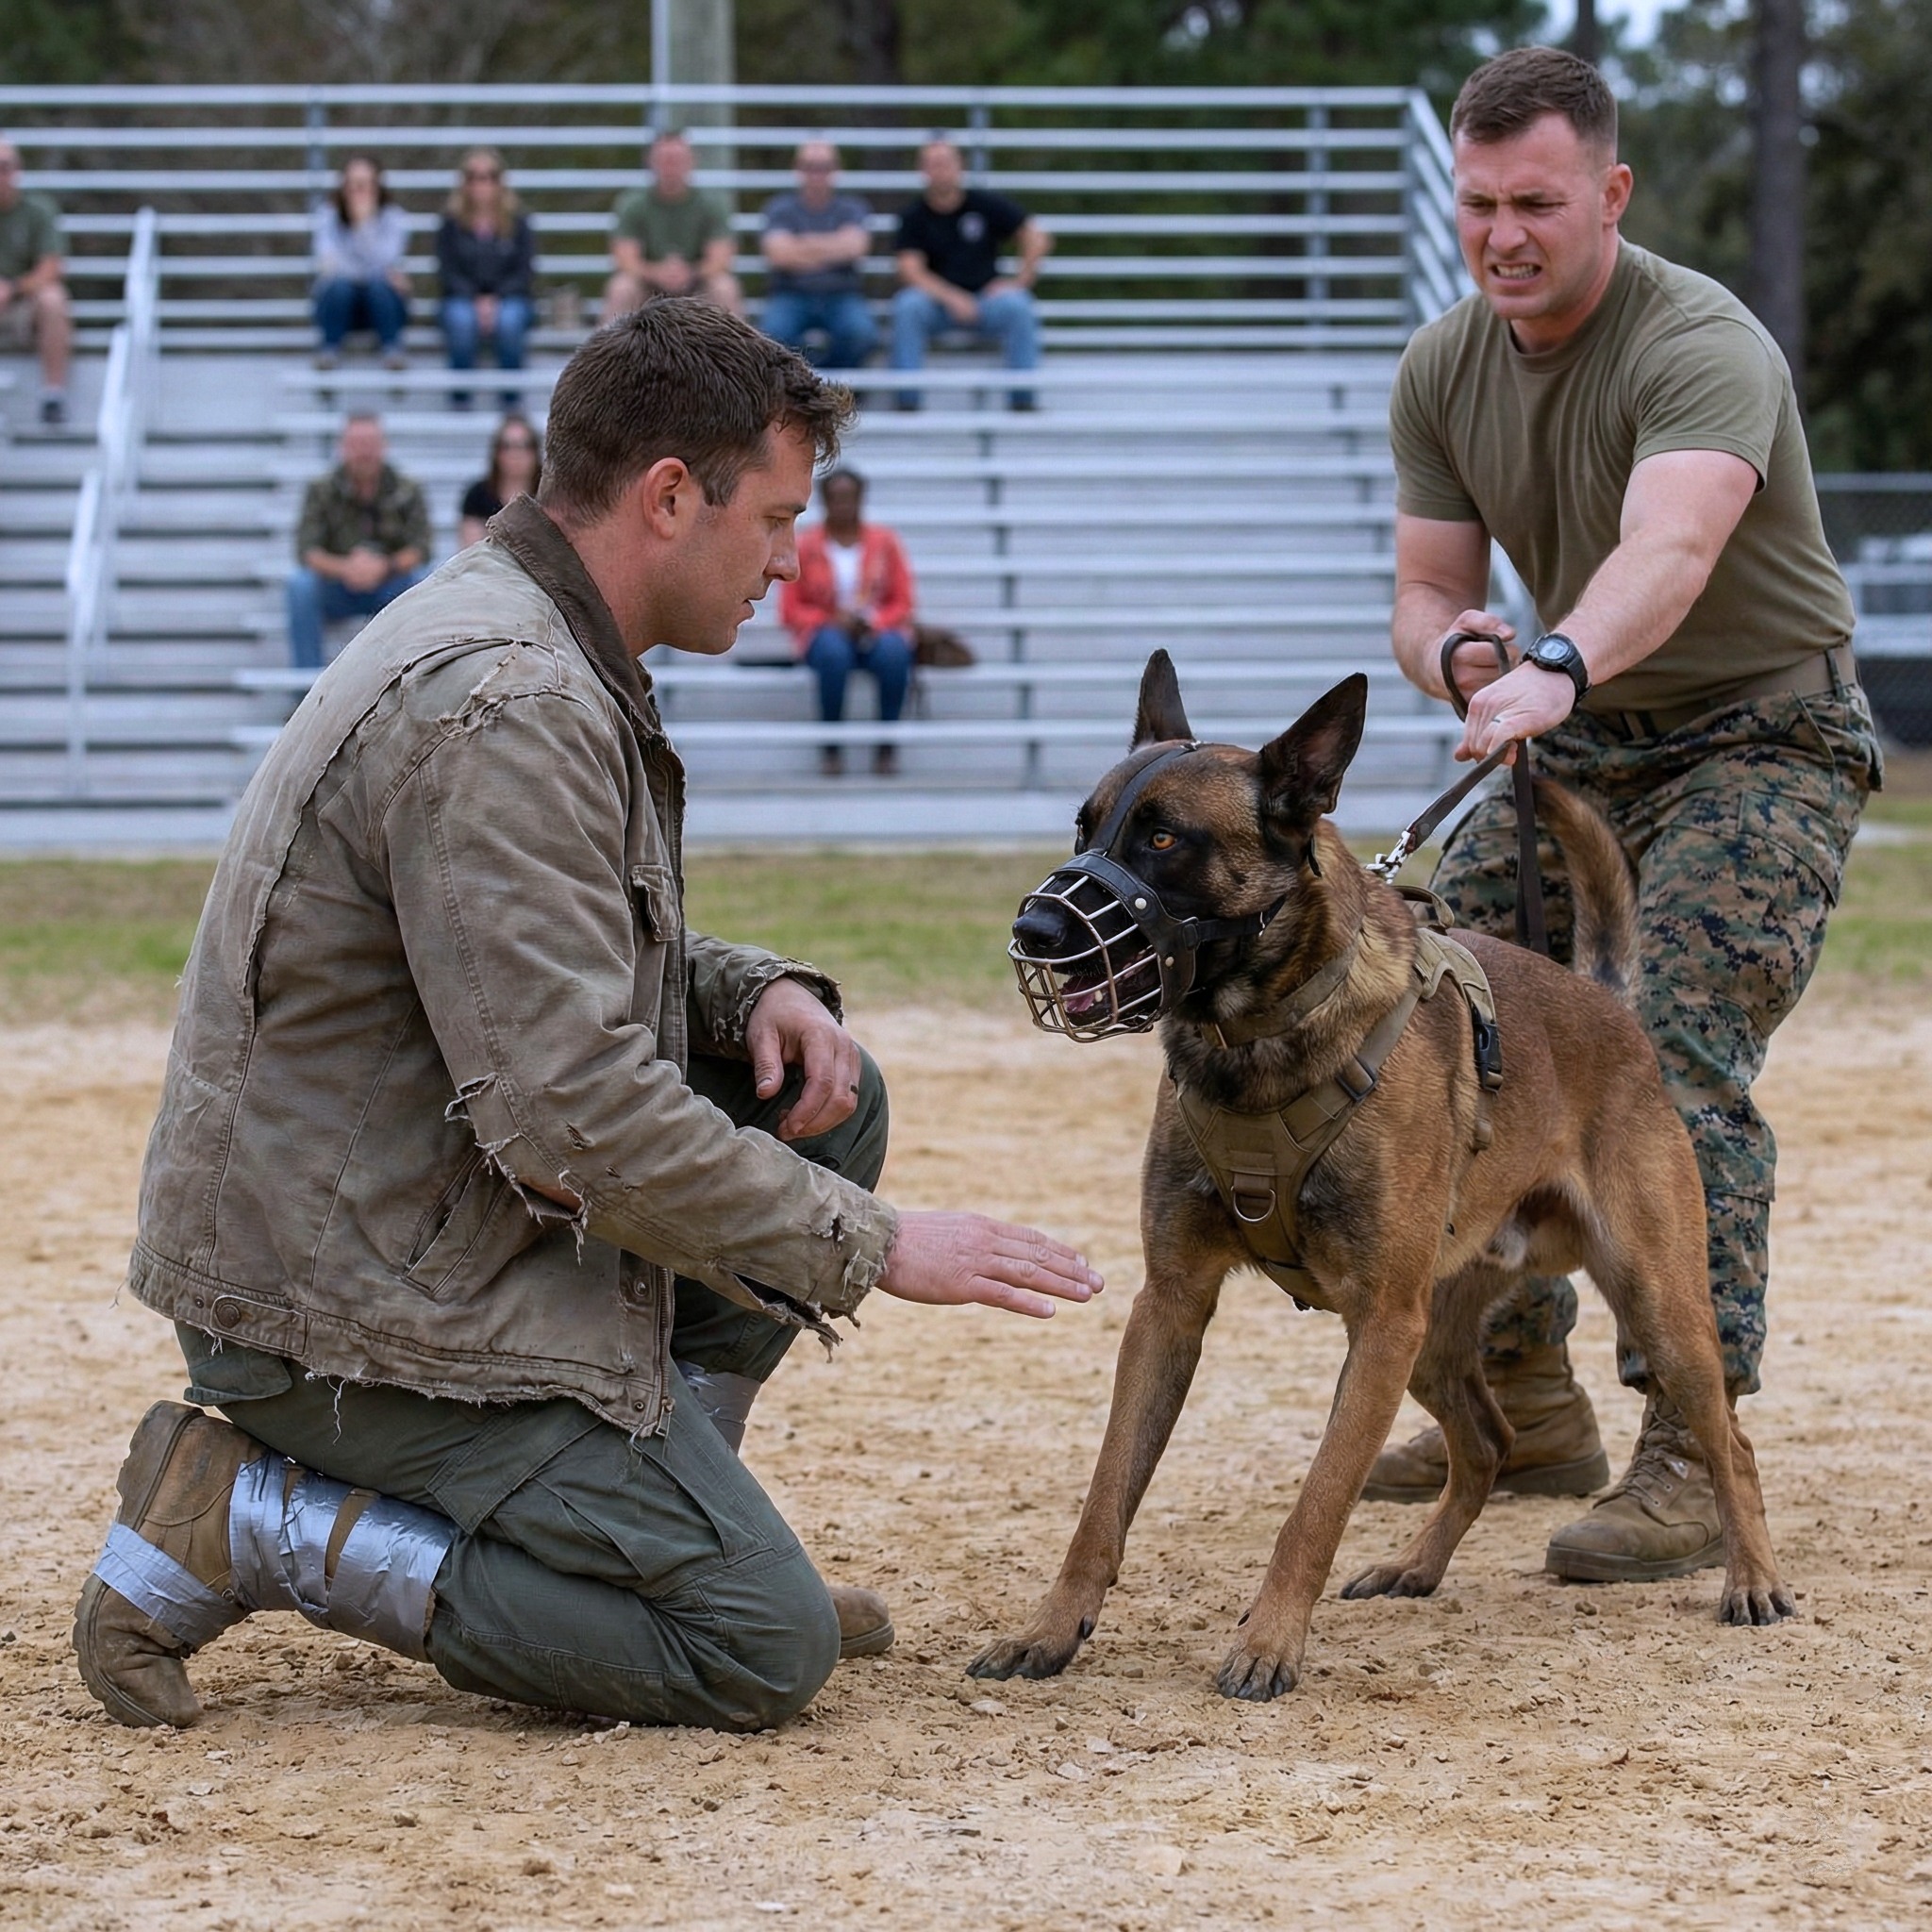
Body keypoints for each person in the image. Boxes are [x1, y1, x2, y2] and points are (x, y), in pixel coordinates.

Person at [74, 299, 1102, 1737]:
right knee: (754, 1645)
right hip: (333, 1316)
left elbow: (520, 957)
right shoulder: (508, 697)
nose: (790, 562)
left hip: (395, 1221)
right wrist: (880, 1248)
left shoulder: (523, 629)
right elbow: (574, 1117)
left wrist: (758, 991)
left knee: (825, 1094)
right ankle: (250, 1520)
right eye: (777, 519)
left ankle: (662, 1511)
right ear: (671, 498)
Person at [1374, 46, 1881, 1585]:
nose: (1502, 234)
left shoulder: (1698, 342)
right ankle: (1511, 1399)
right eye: (1476, 204)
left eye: (1535, 201)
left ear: (1609, 192)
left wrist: (1552, 660)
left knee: (1668, 1041)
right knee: (1434, 1002)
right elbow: (1423, 590)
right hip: (1572, 729)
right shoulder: (1443, 365)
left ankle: (1684, 1441)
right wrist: (1459, 652)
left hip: (1759, 735)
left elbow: (1665, 547)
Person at [891, 138, 1049, 410]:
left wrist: (1019, 281)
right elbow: (909, 270)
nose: (939, 170)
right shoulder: (914, 216)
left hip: (986, 301)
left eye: (945, 162)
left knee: (1019, 306)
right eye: (932, 164)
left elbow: (1037, 237)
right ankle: (908, 401)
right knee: (907, 306)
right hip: (937, 305)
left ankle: (1022, 399)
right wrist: (952, 298)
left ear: (959, 165)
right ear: (922, 170)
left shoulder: (984, 204)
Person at [782, 468, 916, 777]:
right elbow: (791, 609)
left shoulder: (884, 542)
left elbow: (903, 601)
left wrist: (875, 621)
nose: (843, 505)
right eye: (836, 499)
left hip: (874, 630)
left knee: (895, 653)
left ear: (861, 499)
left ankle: (887, 747)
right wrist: (829, 620)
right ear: (825, 501)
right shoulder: (806, 545)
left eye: (849, 498)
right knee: (833, 653)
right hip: (825, 633)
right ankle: (831, 747)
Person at [284, 413, 431, 671]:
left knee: (422, 581)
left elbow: (421, 547)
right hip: (338, 586)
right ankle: (306, 691)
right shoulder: (321, 489)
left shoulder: (407, 488)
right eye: (356, 444)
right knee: (300, 586)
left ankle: (407, 679)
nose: (364, 452)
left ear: (383, 446)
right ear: (343, 447)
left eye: (370, 443)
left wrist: (384, 567)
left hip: (389, 585)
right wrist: (346, 568)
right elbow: (307, 550)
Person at [603, 129, 741, 322]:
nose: (671, 166)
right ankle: (610, 351)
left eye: (677, 159)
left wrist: (690, 273)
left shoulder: (712, 204)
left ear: (692, 161)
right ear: (650, 161)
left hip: (697, 285)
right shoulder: (632, 203)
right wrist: (657, 273)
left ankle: (734, 350)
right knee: (622, 288)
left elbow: (721, 259)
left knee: (724, 287)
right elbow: (625, 259)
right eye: (665, 159)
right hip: (647, 286)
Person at [760, 141, 875, 370]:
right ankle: (801, 389)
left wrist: (801, 246)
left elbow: (855, 248)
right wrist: (833, 248)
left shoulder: (851, 207)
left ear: (836, 169)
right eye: (810, 166)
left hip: (842, 295)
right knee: (771, 336)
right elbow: (779, 255)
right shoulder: (779, 207)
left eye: (823, 166)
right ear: (798, 169)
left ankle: (831, 388)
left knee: (862, 334)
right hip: (790, 294)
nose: (816, 174)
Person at [436, 147, 535, 405]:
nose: (482, 183)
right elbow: (448, 272)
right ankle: (460, 400)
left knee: (510, 323)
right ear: (464, 182)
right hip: (461, 298)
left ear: (500, 181)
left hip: (510, 298)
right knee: (462, 323)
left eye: (489, 175)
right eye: (474, 176)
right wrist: (475, 300)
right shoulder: (450, 224)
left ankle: (511, 402)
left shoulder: (518, 223)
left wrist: (496, 299)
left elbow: (524, 272)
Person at [312, 154, 410, 371]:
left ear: (378, 187)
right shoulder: (327, 216)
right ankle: (329, 351)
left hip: (380, 304)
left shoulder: (394, 218)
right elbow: (328, 263)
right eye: (353, 184)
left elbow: (388, 259)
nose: (359, 191)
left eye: (365, 184)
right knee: (340, 287)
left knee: (379, 288)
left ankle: (392, 351)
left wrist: (364, 226)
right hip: (340, 304)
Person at [0, 136, 73, 425]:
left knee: (53, 299)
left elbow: (52, 267)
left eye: (4, 166)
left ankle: (52, 395)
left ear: (17, 170)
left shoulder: (37, 210)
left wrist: (13, 288)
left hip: (23, 304)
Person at [458, 410, 542, 548]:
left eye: (524, 446)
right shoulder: (477, 495)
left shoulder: (550, 497)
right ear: (496, 453)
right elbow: (471, 548)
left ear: (535, 452)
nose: (515, 454)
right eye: (507, 446)